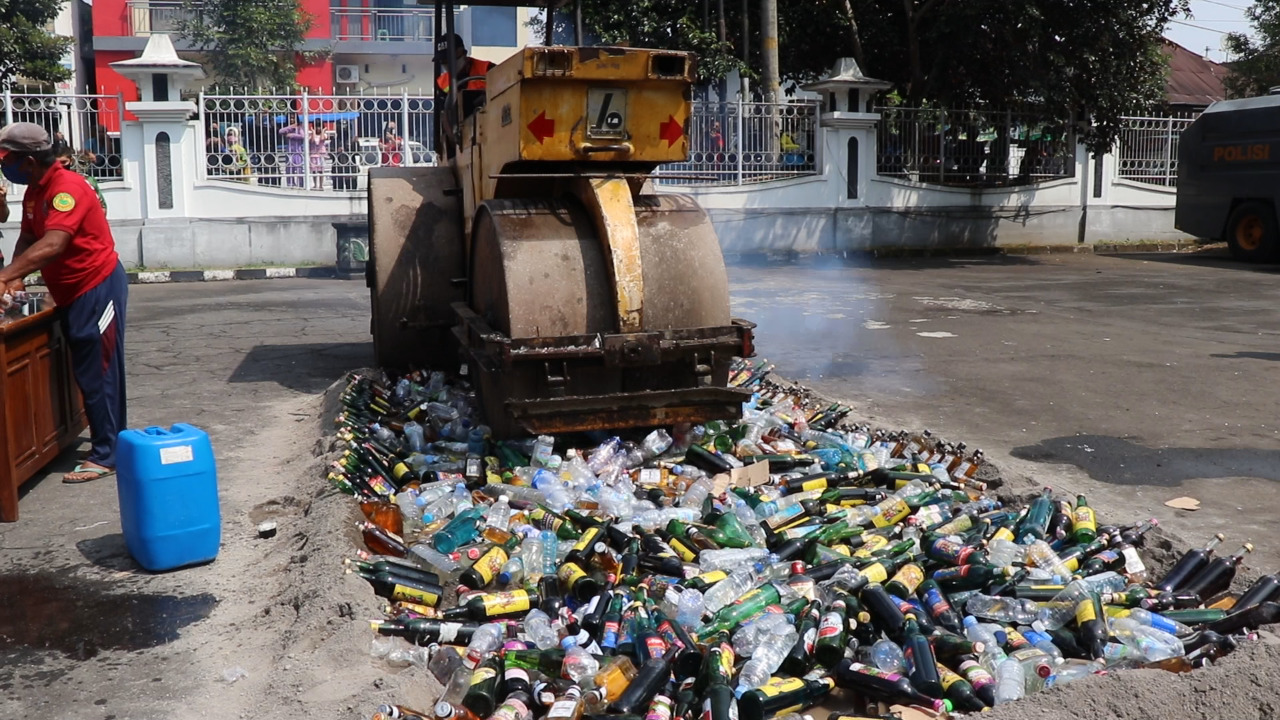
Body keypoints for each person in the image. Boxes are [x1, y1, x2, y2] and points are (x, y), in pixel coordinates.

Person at [0, 123, 127, 484]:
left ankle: (107, 455)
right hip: (72, 289)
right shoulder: (34, 191)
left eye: (8, 160)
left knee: (99, 368)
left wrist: (3, 275)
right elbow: (28, 236)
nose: (4, 167)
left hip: (96, 285)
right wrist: (15, 275)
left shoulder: (65, 188)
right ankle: (106, 442)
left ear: (28, 161)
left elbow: (54, 243)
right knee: (86, 368)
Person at [279, 117, 306, 188]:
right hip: (289, 151)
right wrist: (290, 127)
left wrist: (292, 135)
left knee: (299, 168)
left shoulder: (299, 128)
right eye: (290, 118)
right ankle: (290, 184)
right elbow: (280, 131)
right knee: (289, 168)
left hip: (298, 151)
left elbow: (303, 136)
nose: (292, 119)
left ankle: (300, 185)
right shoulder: (288, 128)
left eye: (293, 118)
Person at [308, 121, 328, 190]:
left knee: (321, 171)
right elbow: (313, 141)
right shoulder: (311, 135)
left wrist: (323, 131)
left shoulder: (324, 134)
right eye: (317, 127)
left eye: (320, 127)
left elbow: (322, 139)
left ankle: (321, 185)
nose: (318, 128)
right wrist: (313, 132)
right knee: (314, 170)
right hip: (313, 155)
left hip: (321, 154)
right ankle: (315, 184)